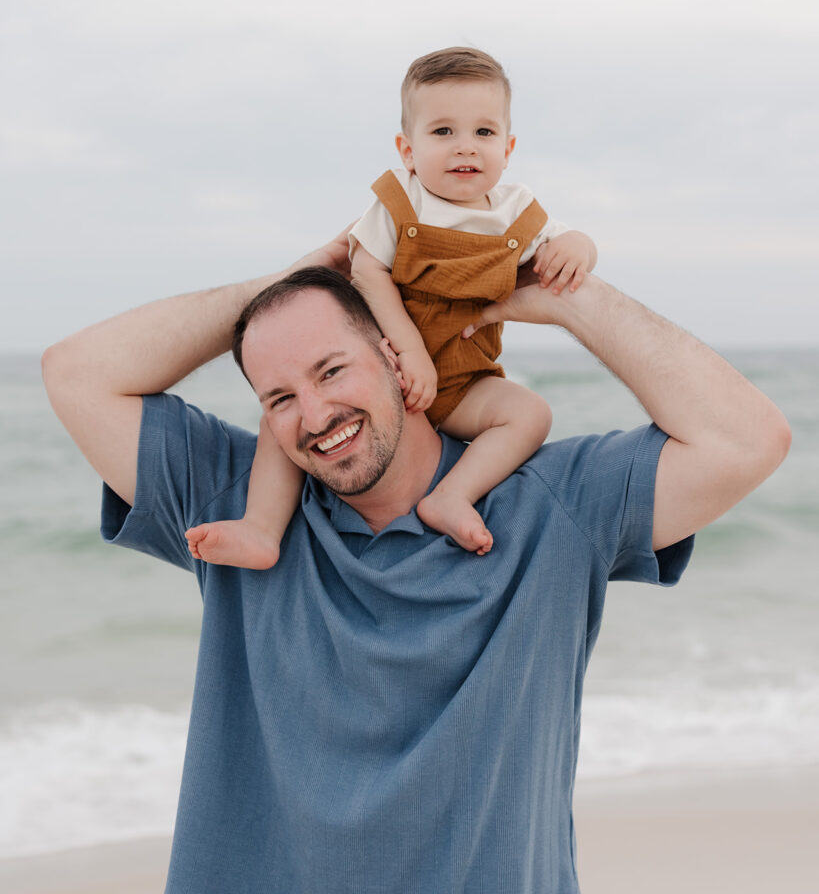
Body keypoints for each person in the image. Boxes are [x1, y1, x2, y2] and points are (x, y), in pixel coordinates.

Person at [42, 236, 790, 894]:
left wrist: (571, 299)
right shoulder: (238, 508)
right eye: (279, 396)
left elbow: (746, 440)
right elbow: (76, 373)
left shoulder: (550, 508)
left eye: (332, 369)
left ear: (400, 361)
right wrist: (288, 285)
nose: (313, 415)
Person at [185, 47, 597, 567]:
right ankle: (262, 528)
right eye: (443, 132)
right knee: (285, 418)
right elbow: (367, 272)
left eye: (484, 133)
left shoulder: (517, 212)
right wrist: (411, 355)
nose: (464, 148)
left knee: (530, 413)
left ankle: (452, 495)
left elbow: (568, 239)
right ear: (407, 149)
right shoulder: (399, 204)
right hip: (392, 372)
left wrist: (579, 247)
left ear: (509, 148)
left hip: (465, 381)